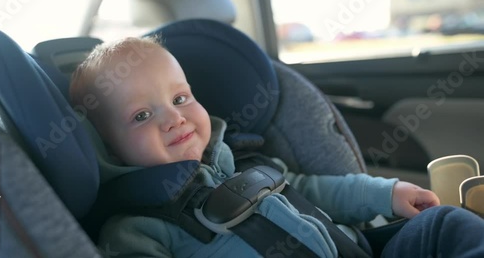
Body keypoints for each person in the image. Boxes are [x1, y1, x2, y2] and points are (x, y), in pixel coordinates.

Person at [69, 36, 484, 258]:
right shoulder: (135, 227)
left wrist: (386, 193)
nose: (173, 118)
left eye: (180, 99)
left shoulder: (244, 161)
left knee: (444, 225)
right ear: (109, 148)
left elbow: (314, 190)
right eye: (142, 116)